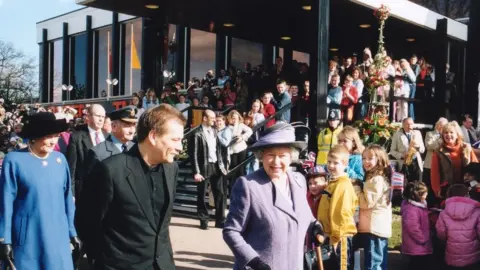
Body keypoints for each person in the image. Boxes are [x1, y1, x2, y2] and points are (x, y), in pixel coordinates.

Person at [75, 104, 186, 270]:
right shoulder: (110, 170)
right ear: (153, 136)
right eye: (175, 140)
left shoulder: (171, 169)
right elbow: (87, 224)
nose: (180, 148)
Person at [223, 122, 324, 270]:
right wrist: (254, 262)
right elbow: (231, 231)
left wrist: (315, 226)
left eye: (282, 155)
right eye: (271, 155)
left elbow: (304, 216)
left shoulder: (299, 181)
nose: (276, 162)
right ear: (261, 155)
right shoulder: (248, 185)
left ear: (291, 156)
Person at [0, 112, 81, 269]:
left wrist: (73, 232)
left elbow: (67, 200)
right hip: (28, 238)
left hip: (58, 236)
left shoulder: (60, 160)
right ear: (34, 136)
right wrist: (4, 239)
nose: (53, 141)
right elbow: (5, 204)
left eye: (56, 136)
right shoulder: (14, 160)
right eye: (48, 136)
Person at [317, 145, 358, 270]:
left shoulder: (343, 185)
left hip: (340, 238)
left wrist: (335, 239)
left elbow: (340, 213)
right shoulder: (334, 183)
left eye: (336, 163)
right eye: (329, 162)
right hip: (331, 236)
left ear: (345, 164)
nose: (331, 166)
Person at [355, 145, 392, 270]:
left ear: (380, 160)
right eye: (364, 158)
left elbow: (366, 203)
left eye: (370, 158)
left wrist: (356, 188)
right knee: (379, 262)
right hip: (377, 227)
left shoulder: (376, 180)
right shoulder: (377, 178)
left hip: (373, 228)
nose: (366, 161)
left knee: (373, 264)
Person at [191, 110, 229, 230]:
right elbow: (194, 154)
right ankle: (204, 220)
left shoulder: (215, 131)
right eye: (212, 118)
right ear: (205, 119)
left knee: (220, 194)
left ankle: (220, 220)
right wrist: (196, 171)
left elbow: (219, 150)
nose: (215, 120)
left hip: (216, 166)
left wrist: (223, 165)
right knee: (202, 195)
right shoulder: (197, 133)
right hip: (203, 168)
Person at [83, 107, 137, 179]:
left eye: (133, 125)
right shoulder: (97, 153)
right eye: (127, 126)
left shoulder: (136, 149)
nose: (132, 131)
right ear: (114, 127)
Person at [66, 104, 107, 198]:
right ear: (88, 117)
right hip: (84, 192)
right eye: (98, 116)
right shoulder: (77, 137)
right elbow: (71, 170)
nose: (101, 119)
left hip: (106, 190)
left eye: (103, 116)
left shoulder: (108, 136)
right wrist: (71, 195)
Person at [435, 184, 480, 270]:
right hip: (473, 255)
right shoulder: (477, 212)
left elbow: (441, 234)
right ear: (467, 195)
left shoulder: (443, 213)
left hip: (452, 254)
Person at [430, 121, 478, 199]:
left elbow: (476, 167)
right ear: (442, 135)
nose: (448, 135)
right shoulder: (438, 152)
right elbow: (435, 174)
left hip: (467, 189)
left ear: (457, 135)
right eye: (446, 132)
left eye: (451, 132)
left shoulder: (466, 148)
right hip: (447, 190)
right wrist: (437, 190)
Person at [401, 182, 432, 270]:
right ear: (417, 194)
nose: (427, 194)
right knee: (417, 264)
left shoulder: (418, 206)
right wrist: (422, 239)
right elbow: (412, 227)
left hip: (419, 244)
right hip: (417, 244)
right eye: (424, 192)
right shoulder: (411, 209)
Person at [390, 117, 425, 183]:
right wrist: (401, 155)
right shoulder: (397, 135)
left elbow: (423, 149)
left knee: (418, 185)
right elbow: (392, 151)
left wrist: (418, 147)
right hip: (404, 163)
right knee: (405, 185)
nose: (410, 126)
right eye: (407, 124)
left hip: (416, 163)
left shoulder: (417, 133)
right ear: (403, 125)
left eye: (411, 124)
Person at [423, 117, 448, 204]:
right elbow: (429, 146)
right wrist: (441, 140)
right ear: (439, 125)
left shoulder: (447, 135)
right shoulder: (430, 134)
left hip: (442, 164)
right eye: (444, 125)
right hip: (430, 164)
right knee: (430, 185)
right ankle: (430, 203)